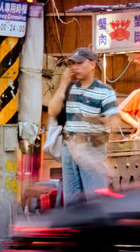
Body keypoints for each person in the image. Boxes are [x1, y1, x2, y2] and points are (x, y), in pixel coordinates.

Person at [47, 47, 119, 204]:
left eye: (80, 63)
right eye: (73, 64)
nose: (75, 67)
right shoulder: (69, 88)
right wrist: (63, 84)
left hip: (91, 147)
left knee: (95, 200)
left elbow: (113, 121)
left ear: (93, 64)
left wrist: (98, 127)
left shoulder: (105, 91)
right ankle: (73, 227)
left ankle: (94, 227)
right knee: (71, 202)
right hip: (69, 147)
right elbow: (52, 110)